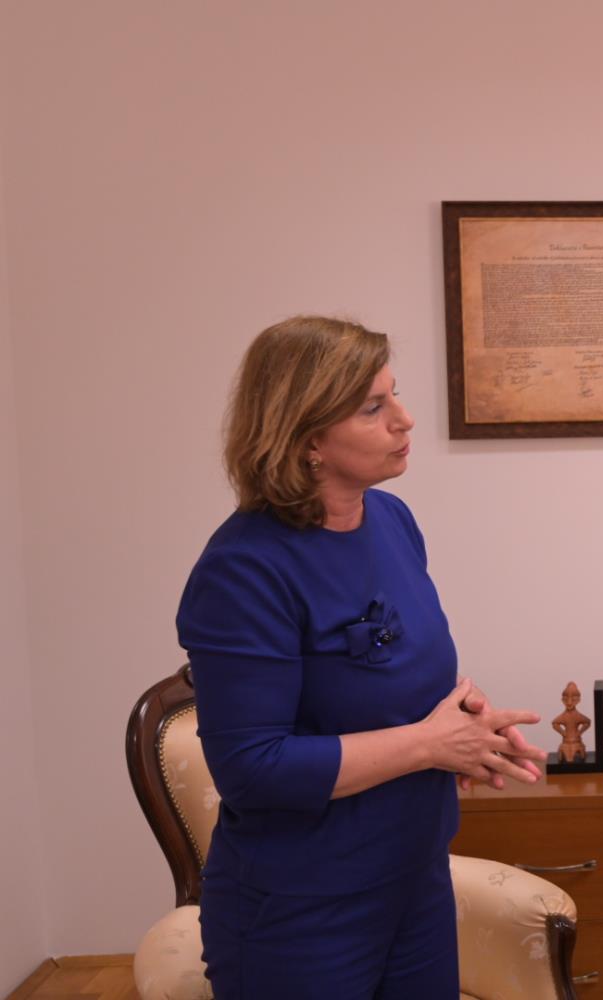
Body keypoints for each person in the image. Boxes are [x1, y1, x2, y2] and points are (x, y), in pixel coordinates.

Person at [177, 315, 546, 999]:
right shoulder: (243, 570)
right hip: (301, 908)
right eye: (373, 408)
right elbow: (253, 769)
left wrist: (469, 724)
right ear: (307, 437)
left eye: (393, 395)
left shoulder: (392, 521)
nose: (404, 420)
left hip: (414, 877)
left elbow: (399, 678)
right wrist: (430, 743)